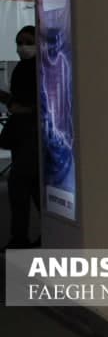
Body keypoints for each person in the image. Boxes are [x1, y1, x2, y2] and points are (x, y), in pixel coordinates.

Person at [0, 26, 40, 250]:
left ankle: (19, 238)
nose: (22, 47)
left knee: (19, 187)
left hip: (32, 137)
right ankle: (30, 236)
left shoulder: (41, 70)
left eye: (27, 42)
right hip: (22, 136)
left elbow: (35, 104)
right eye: (19, 42)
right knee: (31, 187)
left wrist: (20, 107)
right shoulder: (22, 69)